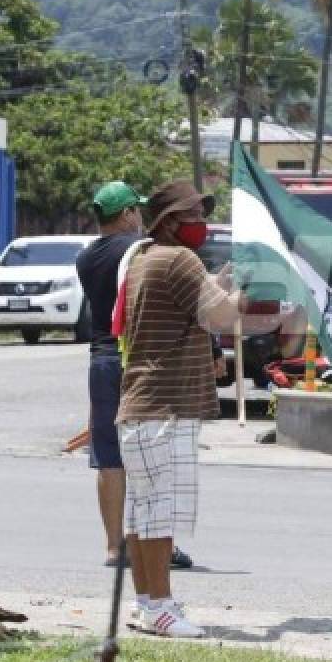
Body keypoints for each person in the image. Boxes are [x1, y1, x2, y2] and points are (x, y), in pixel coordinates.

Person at [114, 180, 247, 638]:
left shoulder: (145, 258)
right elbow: (223, 318)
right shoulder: (180, 259)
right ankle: (162, 608)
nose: (201, 225)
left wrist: (220, 287)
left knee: (141, 510)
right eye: (193, 216)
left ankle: (146, 601)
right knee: (159, 514)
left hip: (142, 404)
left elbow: (198, 308)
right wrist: (243, 295)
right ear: (170, 222)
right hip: (164, 408)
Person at [76, 182, 198, 572]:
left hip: (101, 361)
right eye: (138, 211)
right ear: (128, 213)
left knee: (109, 457)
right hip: (138, 359)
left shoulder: (85, 258)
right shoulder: (141, 251)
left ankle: (115, 548)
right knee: (152, 456)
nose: (142, 218)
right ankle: (161, 545)